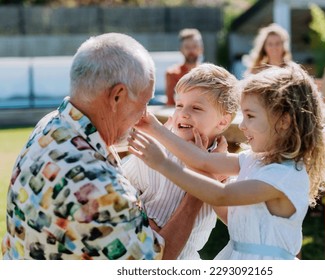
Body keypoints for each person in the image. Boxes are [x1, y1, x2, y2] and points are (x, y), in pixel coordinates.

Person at [1, 33, 202, 260]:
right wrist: (197, 191)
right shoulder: (101, 189)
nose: (145, 114)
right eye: (144, 103)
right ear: (117, 96)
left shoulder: (48, 125)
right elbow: (157, 263)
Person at [127, 63, 325, 260]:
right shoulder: (254, 160)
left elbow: (221, 195)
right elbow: (203, 161)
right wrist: (154, 128)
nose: (242, 126)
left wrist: (163, 163)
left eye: (250, 116)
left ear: (284, 121)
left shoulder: (284, 175)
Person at [122, 63, 240, 259]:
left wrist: (211, 175)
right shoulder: (155, 150)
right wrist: (141, 218)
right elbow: (122, 184)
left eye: (196, 107)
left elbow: (235, 220)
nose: (183, 113)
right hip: (141, 250)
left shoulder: (223, 166)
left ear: (222, 122)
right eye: (179, 105)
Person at [165, 28, 204, 105]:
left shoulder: (209, 74)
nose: (191, 51)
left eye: (195, 46)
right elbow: (171, 103)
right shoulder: (172, 73)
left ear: (201, 49)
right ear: (181, 50)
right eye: (187, 47)